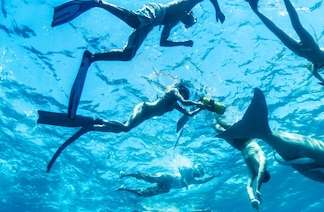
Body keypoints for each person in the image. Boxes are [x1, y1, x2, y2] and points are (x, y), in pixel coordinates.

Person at [51, 0, 226, 118]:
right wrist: (217, 10)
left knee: (128, 55)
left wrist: (183, 42)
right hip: (155, 11)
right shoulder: (186, 4)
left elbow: (162, 42)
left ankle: (92, 57)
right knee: (135, 21)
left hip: (151, 23)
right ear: (190, 14)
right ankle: (99, 3)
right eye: (190, 22)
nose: (188, 25)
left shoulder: (171, 24)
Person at [38, 82, 223, 171]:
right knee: (126, 127)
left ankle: (92, 127)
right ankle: (96, 120)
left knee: (122, 130)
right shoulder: (173, 92)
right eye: (184, 91)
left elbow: (189, 113)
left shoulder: (174, 104)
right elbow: (185, 100)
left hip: (146, 115)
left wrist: (203, 108)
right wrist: (198, 102)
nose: (182, 93)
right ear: (180, 88)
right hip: (143, 108)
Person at [218, 89, 324, 195]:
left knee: (267, 135)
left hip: (304, 159)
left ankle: (243, 127)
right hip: (309, 157)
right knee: (266, 135)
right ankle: (249, 128)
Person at [215, 119, 270, 212]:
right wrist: (258, 189)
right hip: (246, 137)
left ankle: (209, 119)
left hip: (239, 146)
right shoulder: (263, 161)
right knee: (224, 124)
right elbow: (261, 172)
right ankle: (216, 114)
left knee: (219, 130)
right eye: (264, 174)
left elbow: (248, 186)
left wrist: (252, 199)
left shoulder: (253, 172)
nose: (261, 174)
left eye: (260, 177)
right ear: (266, 171)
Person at [117, 164, 218, 197]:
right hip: (168, 178)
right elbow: (180, 167)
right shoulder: (189, 170)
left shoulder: (193, 180)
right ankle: (125, 174)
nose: (198, 175)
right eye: (198, 172)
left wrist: (214, 176)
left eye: (199, 174)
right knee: (149, 178)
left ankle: (124, 188)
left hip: (168, 187)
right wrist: (183, 177)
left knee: (146, 193)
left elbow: (203, 181)